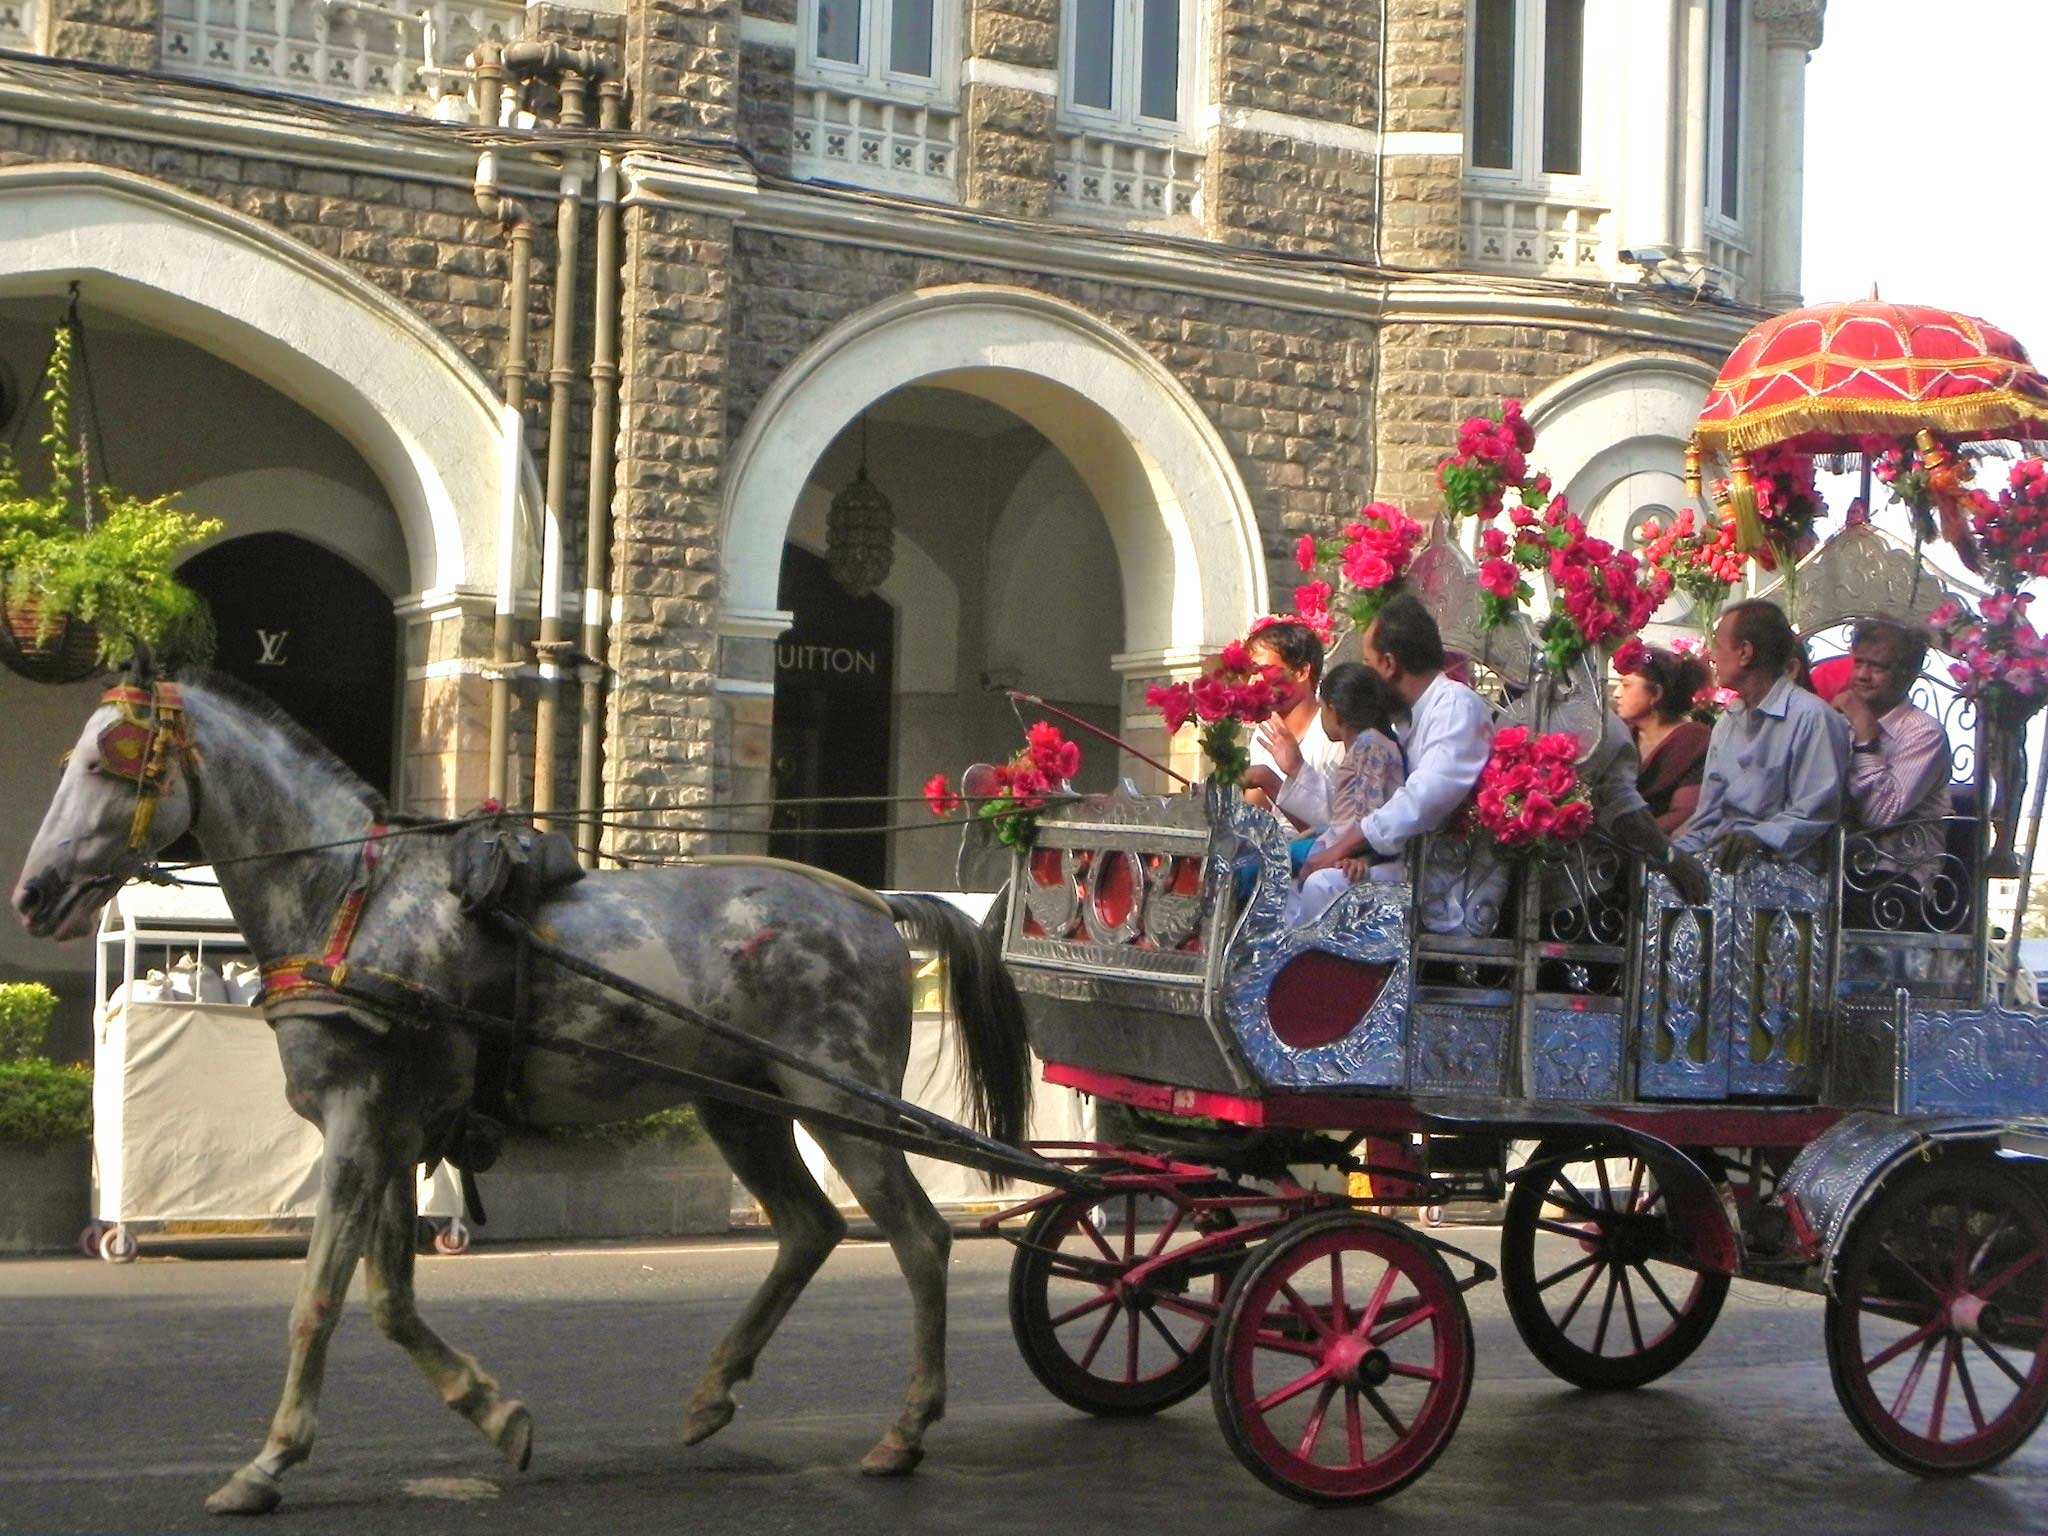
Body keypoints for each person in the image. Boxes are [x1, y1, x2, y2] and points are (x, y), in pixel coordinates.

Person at [1354, 594, 1500, 935]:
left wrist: (1354, 840)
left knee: (1325, 887)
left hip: (1452, 892)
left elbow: (1426, 797)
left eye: (1367, 663)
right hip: (1410, 873)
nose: (1365, 675)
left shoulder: (1454, 704)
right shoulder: (1405, 716)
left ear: (1389, 664)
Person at [1675, 599, 1850, 874]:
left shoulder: (1812, 718)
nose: (1711, 655)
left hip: (1789, 878)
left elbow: (1816, 813)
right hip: (1724, 871)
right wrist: (1670, 858)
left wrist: (1758, 837)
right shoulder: (1727, 721)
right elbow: (1708, 818)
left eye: (1718, 645)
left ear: (1745, 652)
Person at [1834, 618, 1953, 923]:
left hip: (1897, 880)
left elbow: (1878, 813)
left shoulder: (1924, 733)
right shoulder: (1838, 719)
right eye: (1859, 662)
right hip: (1837, 868)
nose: (1862, 675)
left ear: (1908, 675)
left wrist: (1865, 739)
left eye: (1878, 667)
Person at [1284, 663, 1406, 926]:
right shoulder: (1365, 745)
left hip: (1357, 853)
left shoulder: (1370, 745)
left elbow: (1370, 814)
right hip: (1335, 844)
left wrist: (1357, 857)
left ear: (1334, 711)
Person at [1242, 618, 1344, 832]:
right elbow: (1254, 814)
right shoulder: (1263, 732)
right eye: (1251, 673)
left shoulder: (1336, 734)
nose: (1254, 682)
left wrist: (1267, 779)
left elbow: (1331, 830)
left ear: (1302, 672)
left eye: (1264, 670)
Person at [1615, 646, 1713, 833]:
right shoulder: (1622, 733)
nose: (1617, 693)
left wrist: (1632, 839)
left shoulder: (1694, 741)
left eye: (1626, 685)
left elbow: (1684, 813)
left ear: (1656, 694)